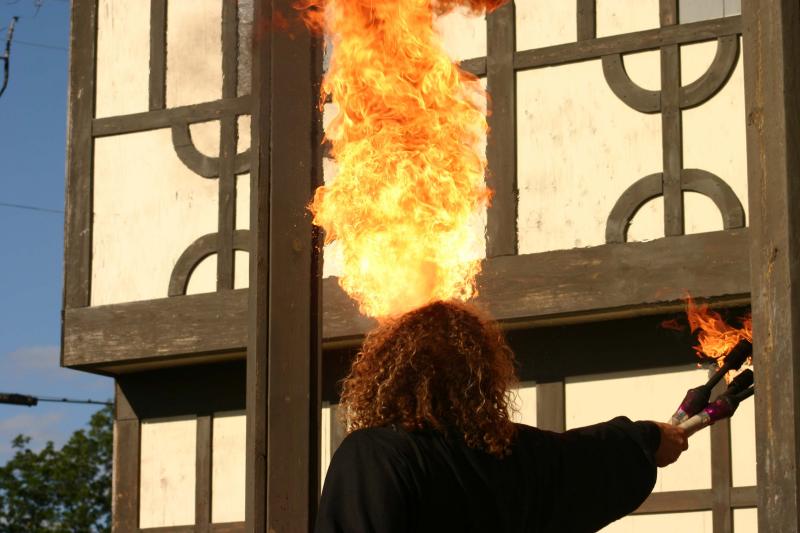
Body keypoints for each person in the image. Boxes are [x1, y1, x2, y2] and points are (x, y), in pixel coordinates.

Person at [315, 300, 689, 533]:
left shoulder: (375, 455)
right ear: (482, 377)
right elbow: (586, 457)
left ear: (388, 373)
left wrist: (648, 439)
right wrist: (649, 439)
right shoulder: (518, 456)